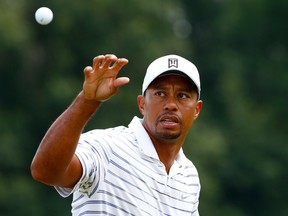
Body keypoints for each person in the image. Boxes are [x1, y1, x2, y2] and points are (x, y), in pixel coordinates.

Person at [31, 54, 203, 215]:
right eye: (160, 93)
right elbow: (45, 171)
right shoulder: (107, 146)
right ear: (142, 104)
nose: (171, 104)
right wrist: (87, 101)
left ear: (196, 109)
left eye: (182, 95)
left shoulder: (189, 176)